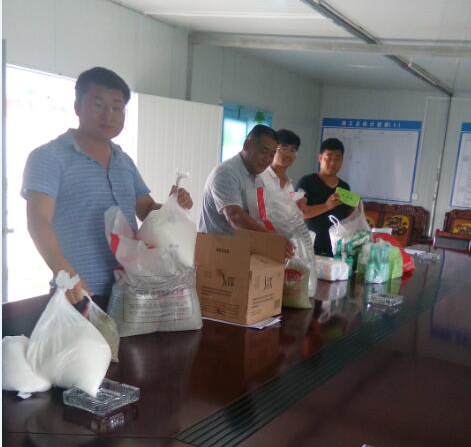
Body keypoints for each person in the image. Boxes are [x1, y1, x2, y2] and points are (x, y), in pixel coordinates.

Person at [22, 67, 193, 305]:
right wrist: (64, 272)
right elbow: (38, 220)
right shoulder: (48, 157)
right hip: (79, 292)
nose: (108, 115)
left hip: (130, 291)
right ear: (77, 106)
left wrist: (172, 207)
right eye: (98, 104)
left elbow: (146, 209)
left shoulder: (124, 161)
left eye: (117, 107)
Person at [198, 124, 279, 235]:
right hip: (215, 244)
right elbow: (235, 216)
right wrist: (272, 239)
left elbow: (260, 215)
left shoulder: (259, 178)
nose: (267, 159)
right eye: (263, 152)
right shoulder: (226, 172)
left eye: (271, 155)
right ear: (247, 145)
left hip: (241, 244)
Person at [296, 138, 352, 256]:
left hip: (336, 250)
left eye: (337, 159)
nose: (332, 163)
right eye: (328, 158)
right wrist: (327, 206)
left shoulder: (344, 187)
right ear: (320, 158)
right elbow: (300, 212)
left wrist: (356, 209)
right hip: (309, 249)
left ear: (342, 161)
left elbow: (346, 217)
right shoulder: (307, 182)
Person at [259, 129, 301, 196]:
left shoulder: (289, 185)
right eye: (284, 149)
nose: (288, 154)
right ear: (273, 149)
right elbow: (257, 201)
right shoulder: (261, 177)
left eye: (292, 150)